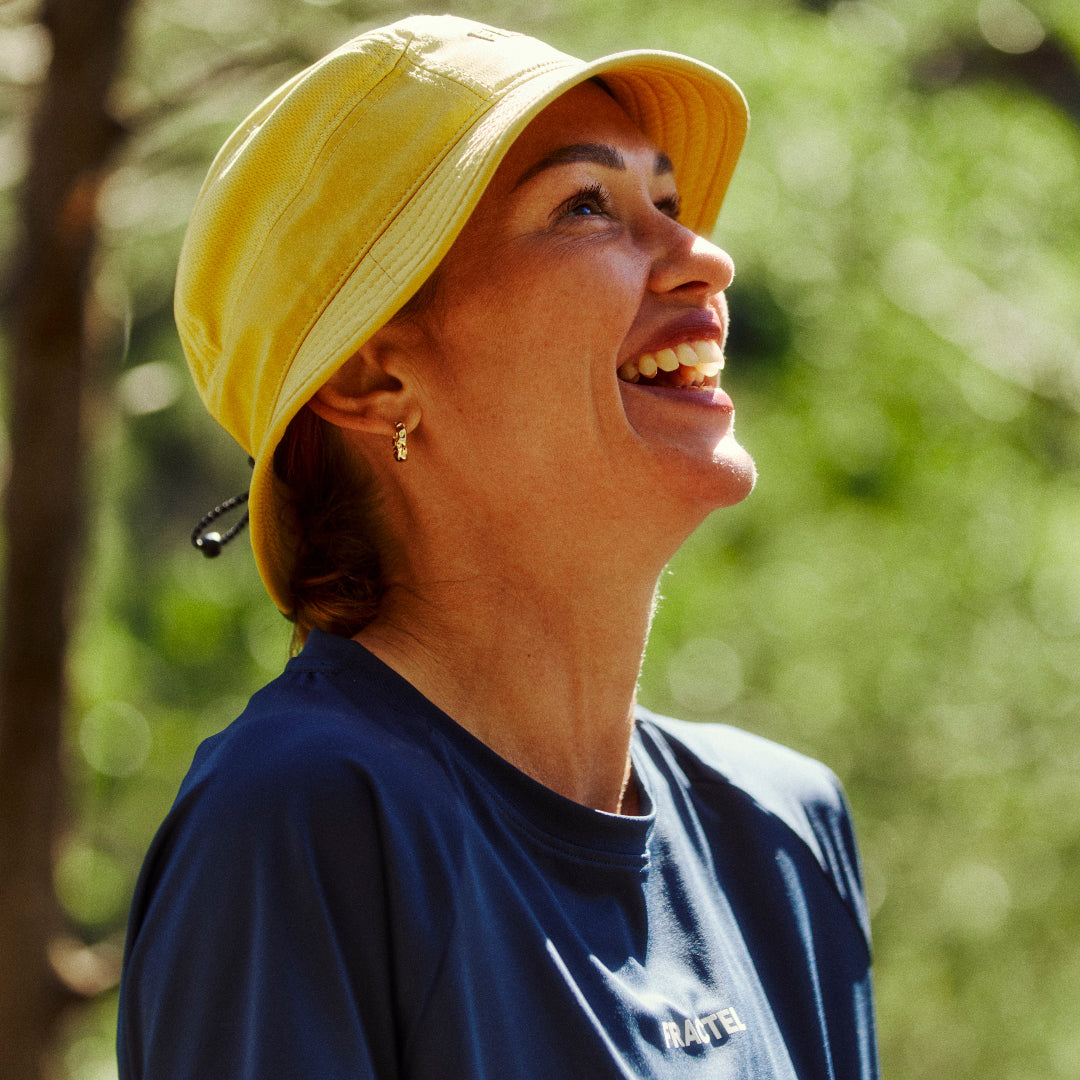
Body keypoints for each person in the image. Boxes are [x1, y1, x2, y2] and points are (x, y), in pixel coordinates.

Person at [117, 14, 878, 1080]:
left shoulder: (782, 830)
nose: (704, 256)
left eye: (666, 202)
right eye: (584, 207)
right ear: (372, 378)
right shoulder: (301, 822)